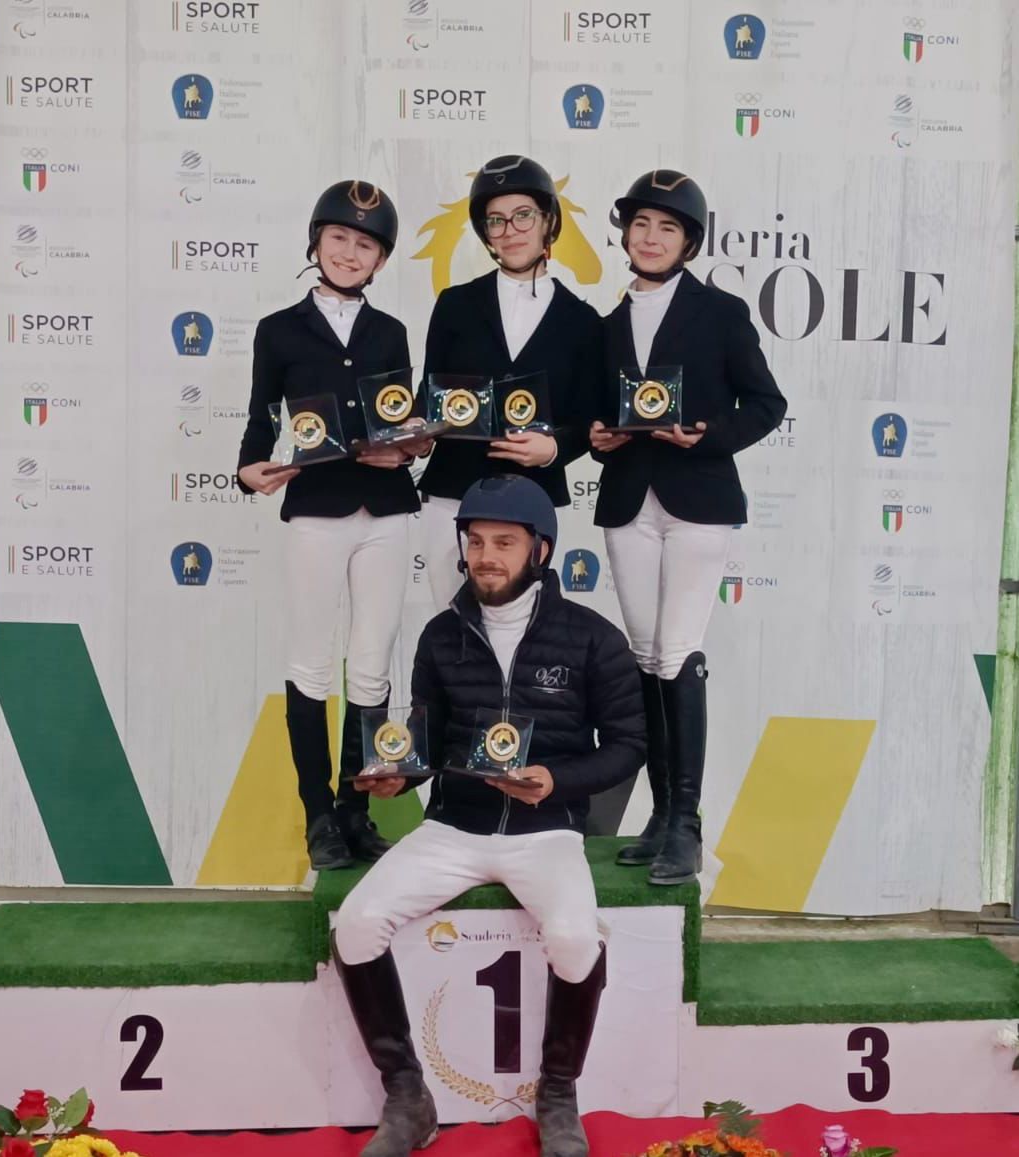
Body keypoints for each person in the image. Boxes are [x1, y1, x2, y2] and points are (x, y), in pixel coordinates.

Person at [331, 475, 645, 1157]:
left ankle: (557, 1094)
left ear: (541, 550)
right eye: (474, 542)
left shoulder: (592, 638)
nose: (485, 557)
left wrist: (557, 781)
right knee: (355, 924)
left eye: (504, 543)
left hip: (546, 832)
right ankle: (407, 1096)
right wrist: (400, 776)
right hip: (453, 828)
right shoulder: (441, 634)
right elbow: (426, 739)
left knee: (575, 938)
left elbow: (628, 746)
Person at [590, 169, 787, 886]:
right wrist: (598, 437)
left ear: (689, 241)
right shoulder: (608, 324)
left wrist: (706, 437)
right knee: (646, 656)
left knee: (678, 651)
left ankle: (687, 823)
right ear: (625, 234)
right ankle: (658, 815)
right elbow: (598, 415)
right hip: (628, 502)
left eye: (667, 227)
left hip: (698, 499)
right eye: (641, 224)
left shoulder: (721, 312)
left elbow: (766, 403)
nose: (650, 238)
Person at [236, 180, 418, 871]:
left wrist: (409, 447)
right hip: (315, 508)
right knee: (311, 661)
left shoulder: (391, 331)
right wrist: (247, 466)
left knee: (371, 664)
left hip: (387, 511)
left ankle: (355, 811)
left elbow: (399, 417)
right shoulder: (278, 329)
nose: (349, 252)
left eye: (365, 244)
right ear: (315, 242)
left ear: (381, 259)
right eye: (338, 237)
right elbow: (262, 411)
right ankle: (318, 815)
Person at [402, 155, 603, 609]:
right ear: (485, 232)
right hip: (452, 492)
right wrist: (415, 432)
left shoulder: (583, 322)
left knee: (520, 630)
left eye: (523, 215)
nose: (510, 230)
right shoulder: (454, 305)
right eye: (496, 220)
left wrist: (553, 449)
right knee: (452, 626)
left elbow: (588, 419)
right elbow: (430, 397)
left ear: (548, 220)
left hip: (532, 496)